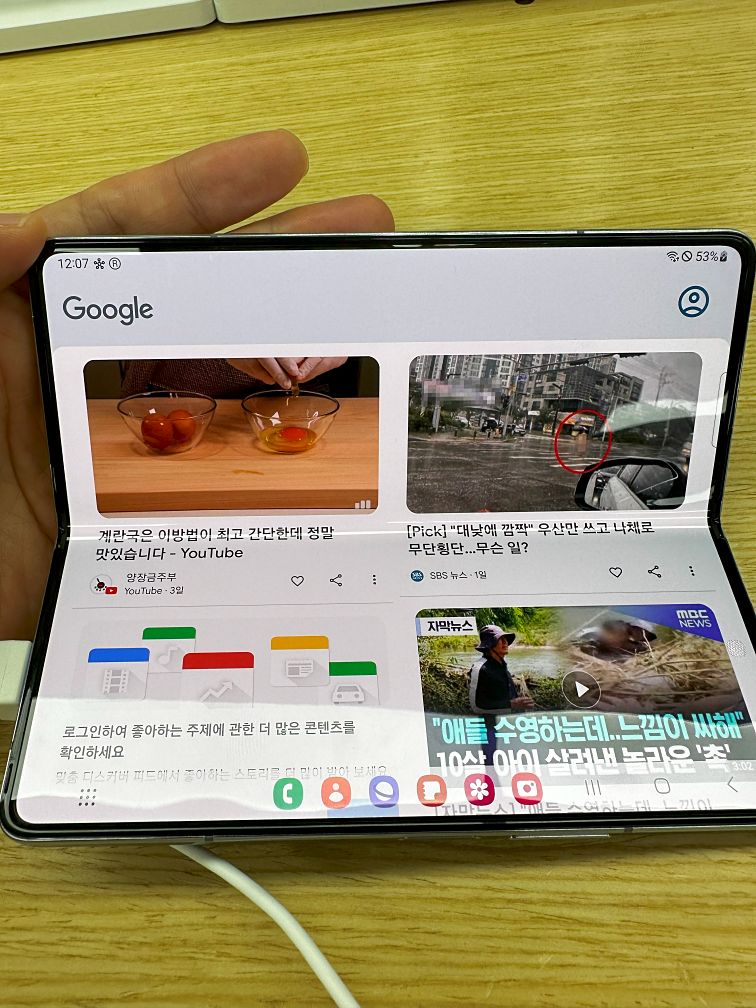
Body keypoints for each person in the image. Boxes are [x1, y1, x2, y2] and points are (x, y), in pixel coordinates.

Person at [0, 129, 393, 642]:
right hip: (156, 446)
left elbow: (364, 320)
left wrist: (349, 338)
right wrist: (210, 331)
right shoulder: (162, 288)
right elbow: (137, 350)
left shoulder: (327, 282)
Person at [468, 625, 535, 769]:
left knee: (511, 769)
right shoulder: (480, 668)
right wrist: (512, 704)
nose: (505, 643)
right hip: (490, 730)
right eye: (500, 639)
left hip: (509, 728)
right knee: (491, 768)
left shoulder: (502, 666)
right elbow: (476, 705)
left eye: (506, 639)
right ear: (490, 644)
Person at [573, 618, 658, 662]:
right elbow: (582, 638)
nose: (641, 635)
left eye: (646, 634)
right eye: (639, 630)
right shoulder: (596, 634)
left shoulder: (639, 647)